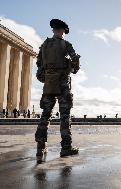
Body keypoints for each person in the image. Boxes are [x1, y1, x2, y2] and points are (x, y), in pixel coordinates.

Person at [34, 19, 81, 162]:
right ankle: (66, 148)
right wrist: (73, 67)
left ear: (53, 30)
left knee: (45, 115)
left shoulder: (44, 45)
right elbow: (75, 62)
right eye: (63, 31)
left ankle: (40, 148)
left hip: (49, 83)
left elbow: (38, 63)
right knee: (65, 116)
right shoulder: (66, 44)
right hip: (62, 83)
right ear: (63, 31)